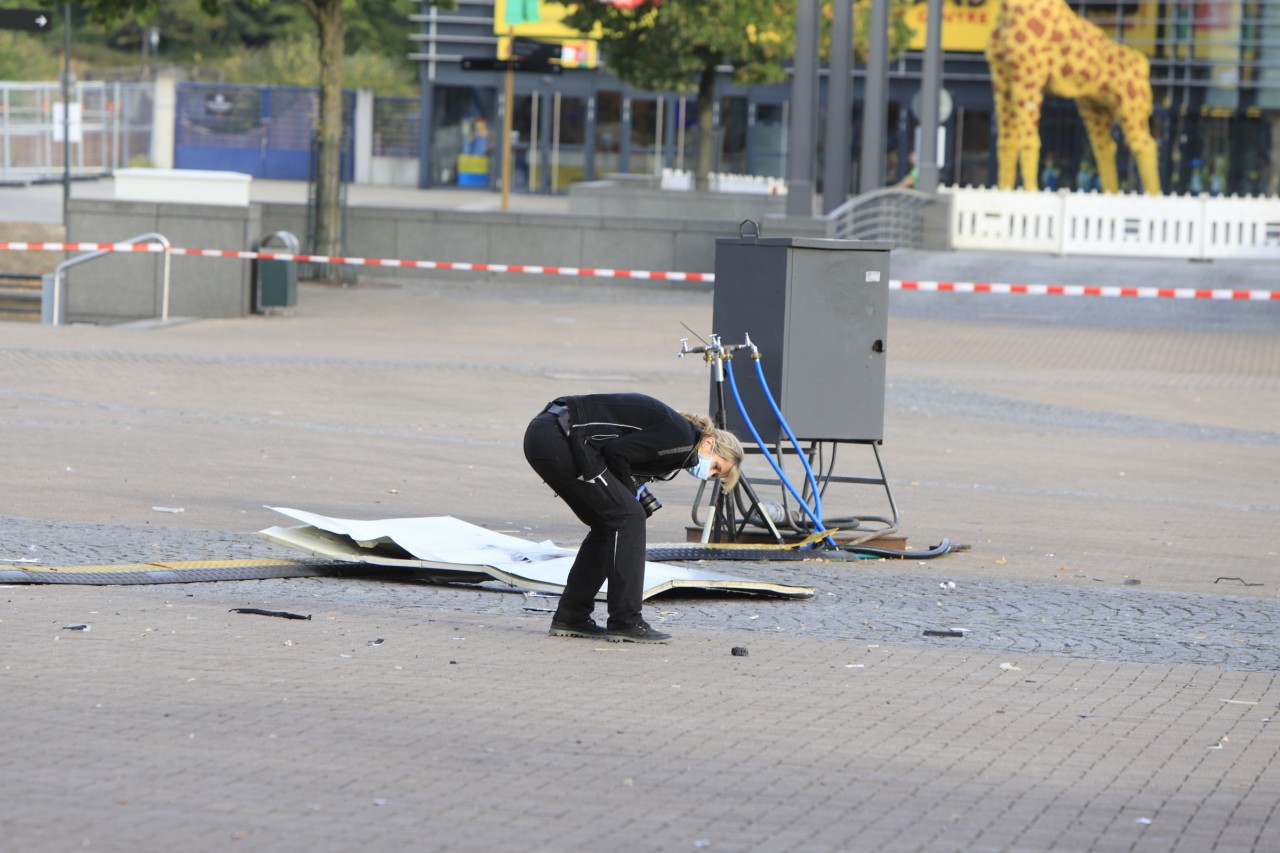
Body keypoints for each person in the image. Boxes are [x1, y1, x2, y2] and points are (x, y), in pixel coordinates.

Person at [523, 393, 744, 643]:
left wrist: (629, 494)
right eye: (715, 466)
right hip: (560, 437)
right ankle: (626, 621)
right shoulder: (682, 439)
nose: (708, 475)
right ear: (709, 443)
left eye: (715, 476)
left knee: (609, 524)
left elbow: (617, 452)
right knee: (629, 517)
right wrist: (629, 495)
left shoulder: (678, 439)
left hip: (548, 435)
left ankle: (573, 616)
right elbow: (618, 453)